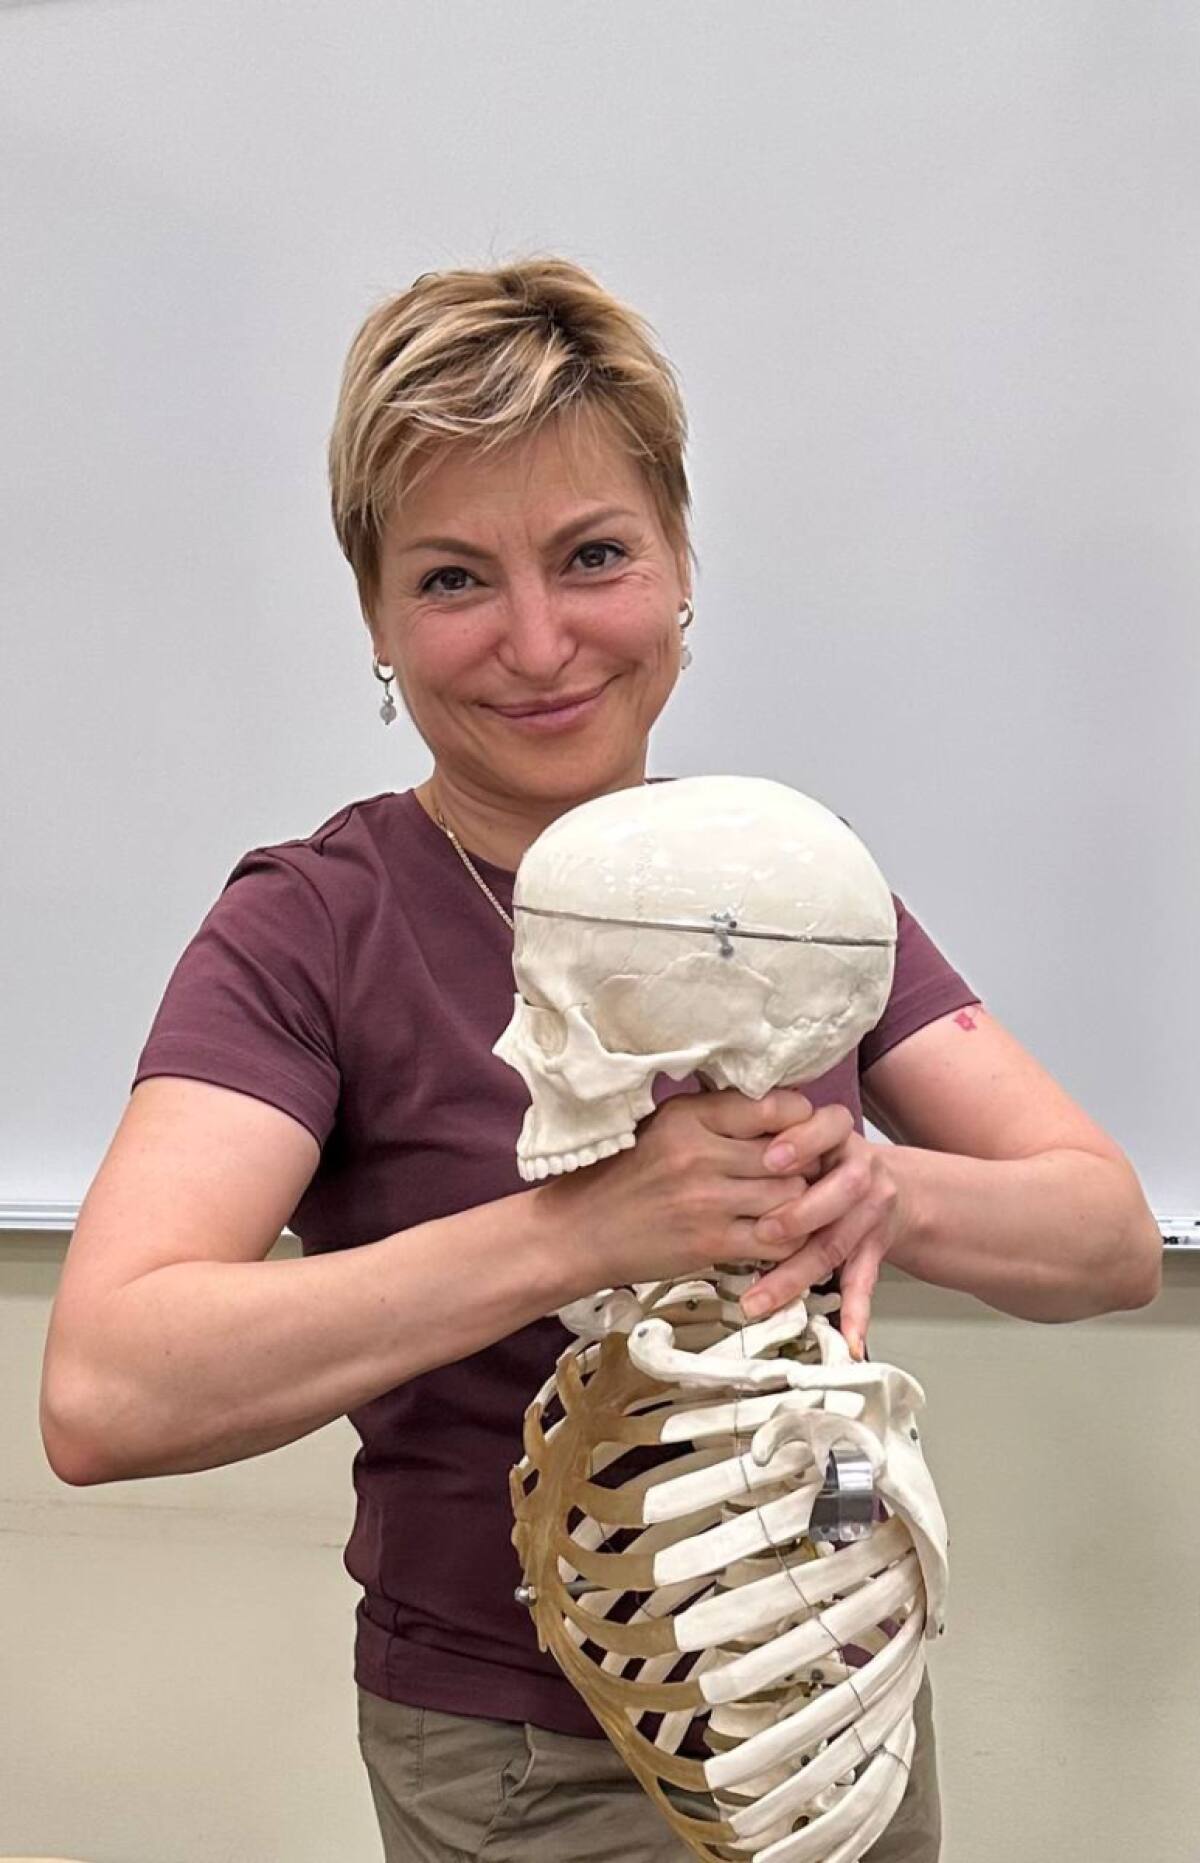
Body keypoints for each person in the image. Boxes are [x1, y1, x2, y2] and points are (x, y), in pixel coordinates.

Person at [40, 257, 1162, 1863]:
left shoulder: (790, 887)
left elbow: (1107, 1236)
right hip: (533, 1764)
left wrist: (885, 1194)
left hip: (840, 1711)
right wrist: (583, 1231)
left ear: (682, 565)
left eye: (593, 556)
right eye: (453, 579)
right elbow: (105, 1389)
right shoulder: (313, 927)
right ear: (375, 619)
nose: (540, 640)